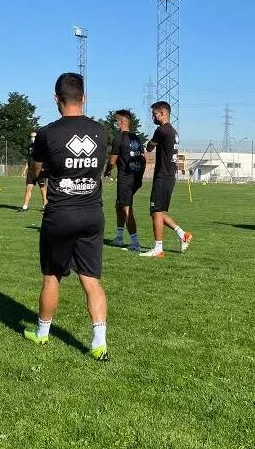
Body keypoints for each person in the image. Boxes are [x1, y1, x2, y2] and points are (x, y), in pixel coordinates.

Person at [23, 72, 110, 361]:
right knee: (91, 279)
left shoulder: (47, 133)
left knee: (52, 277)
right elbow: (100, 166)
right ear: (83, 97)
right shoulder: (100, 131)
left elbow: (36, 170)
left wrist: (48, 170)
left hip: (61, 213)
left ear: (56, 98)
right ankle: (99, 343)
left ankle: (42, 333)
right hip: (92, 213)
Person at [139, 101, 192, 258]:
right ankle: (182, 234)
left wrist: (147, 145)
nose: (153, 117)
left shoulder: (161, 130)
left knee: (156, 211)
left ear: (162, 113)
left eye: (154, 114)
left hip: (163, 175)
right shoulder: (173, 131)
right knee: (158, 211)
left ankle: (158, 249)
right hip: (169, 175)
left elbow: (149, 147)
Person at [105, 110, 146, 251]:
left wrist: (107, 171)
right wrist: (140, 175)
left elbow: (112, 160)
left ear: (121, 122)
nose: (115, 123)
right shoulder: (137, 138)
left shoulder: (119, 138)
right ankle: (119, 237)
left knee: (126, 208)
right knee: (119, 205)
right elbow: (143, 158)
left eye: (116, 121)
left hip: (125, 178)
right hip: (135, 178)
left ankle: (135, 243)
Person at [19, 130, 46, 212]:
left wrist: (44, 168)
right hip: (31, 172)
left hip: (40, 172)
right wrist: (25, 170)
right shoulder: (30, 148)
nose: (32, 138)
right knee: (28, 188)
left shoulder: (41, 147)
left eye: (34, 137)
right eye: (31, 137)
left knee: (43, 189)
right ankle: (25, 206)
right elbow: (29, 160)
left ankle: (45, 205)